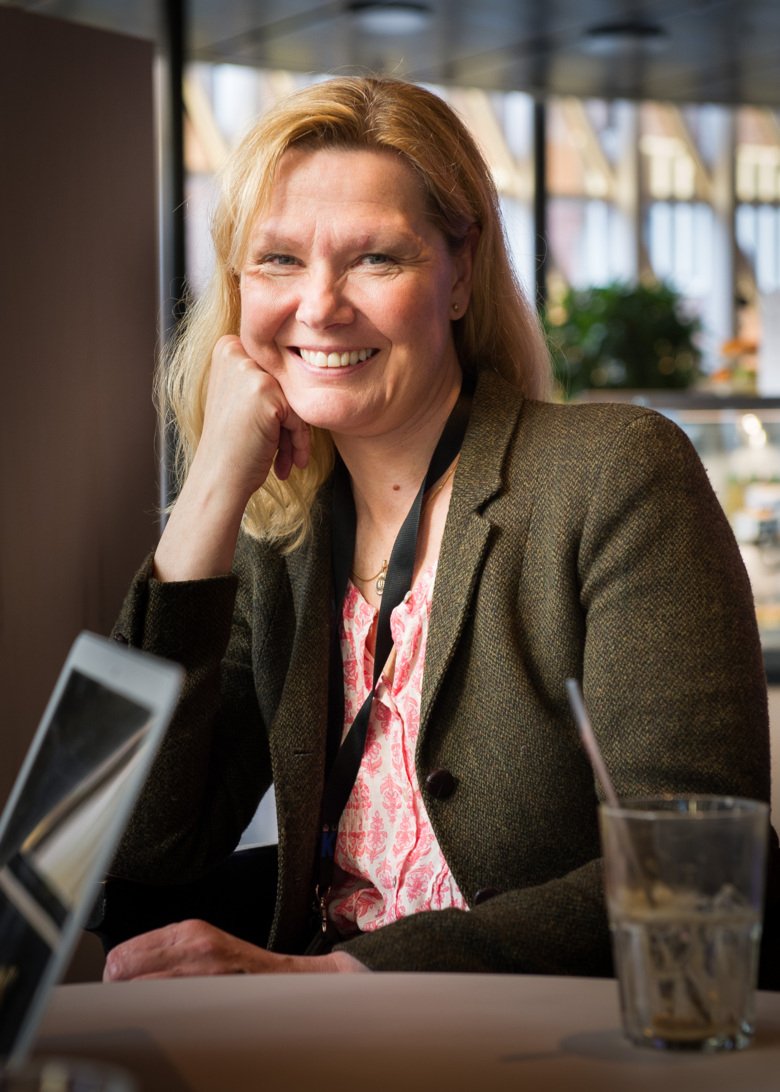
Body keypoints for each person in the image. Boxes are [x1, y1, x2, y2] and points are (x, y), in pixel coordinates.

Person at [101, 75, 771, 982]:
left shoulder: (615, 474)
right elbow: (136, 849)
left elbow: (702, 863)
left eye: (376, 259)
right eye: (279, 260)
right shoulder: (281, 537)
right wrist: (214, 489)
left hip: (536, 1043)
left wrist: (333, 984)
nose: (321, 305)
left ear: (459, 274)